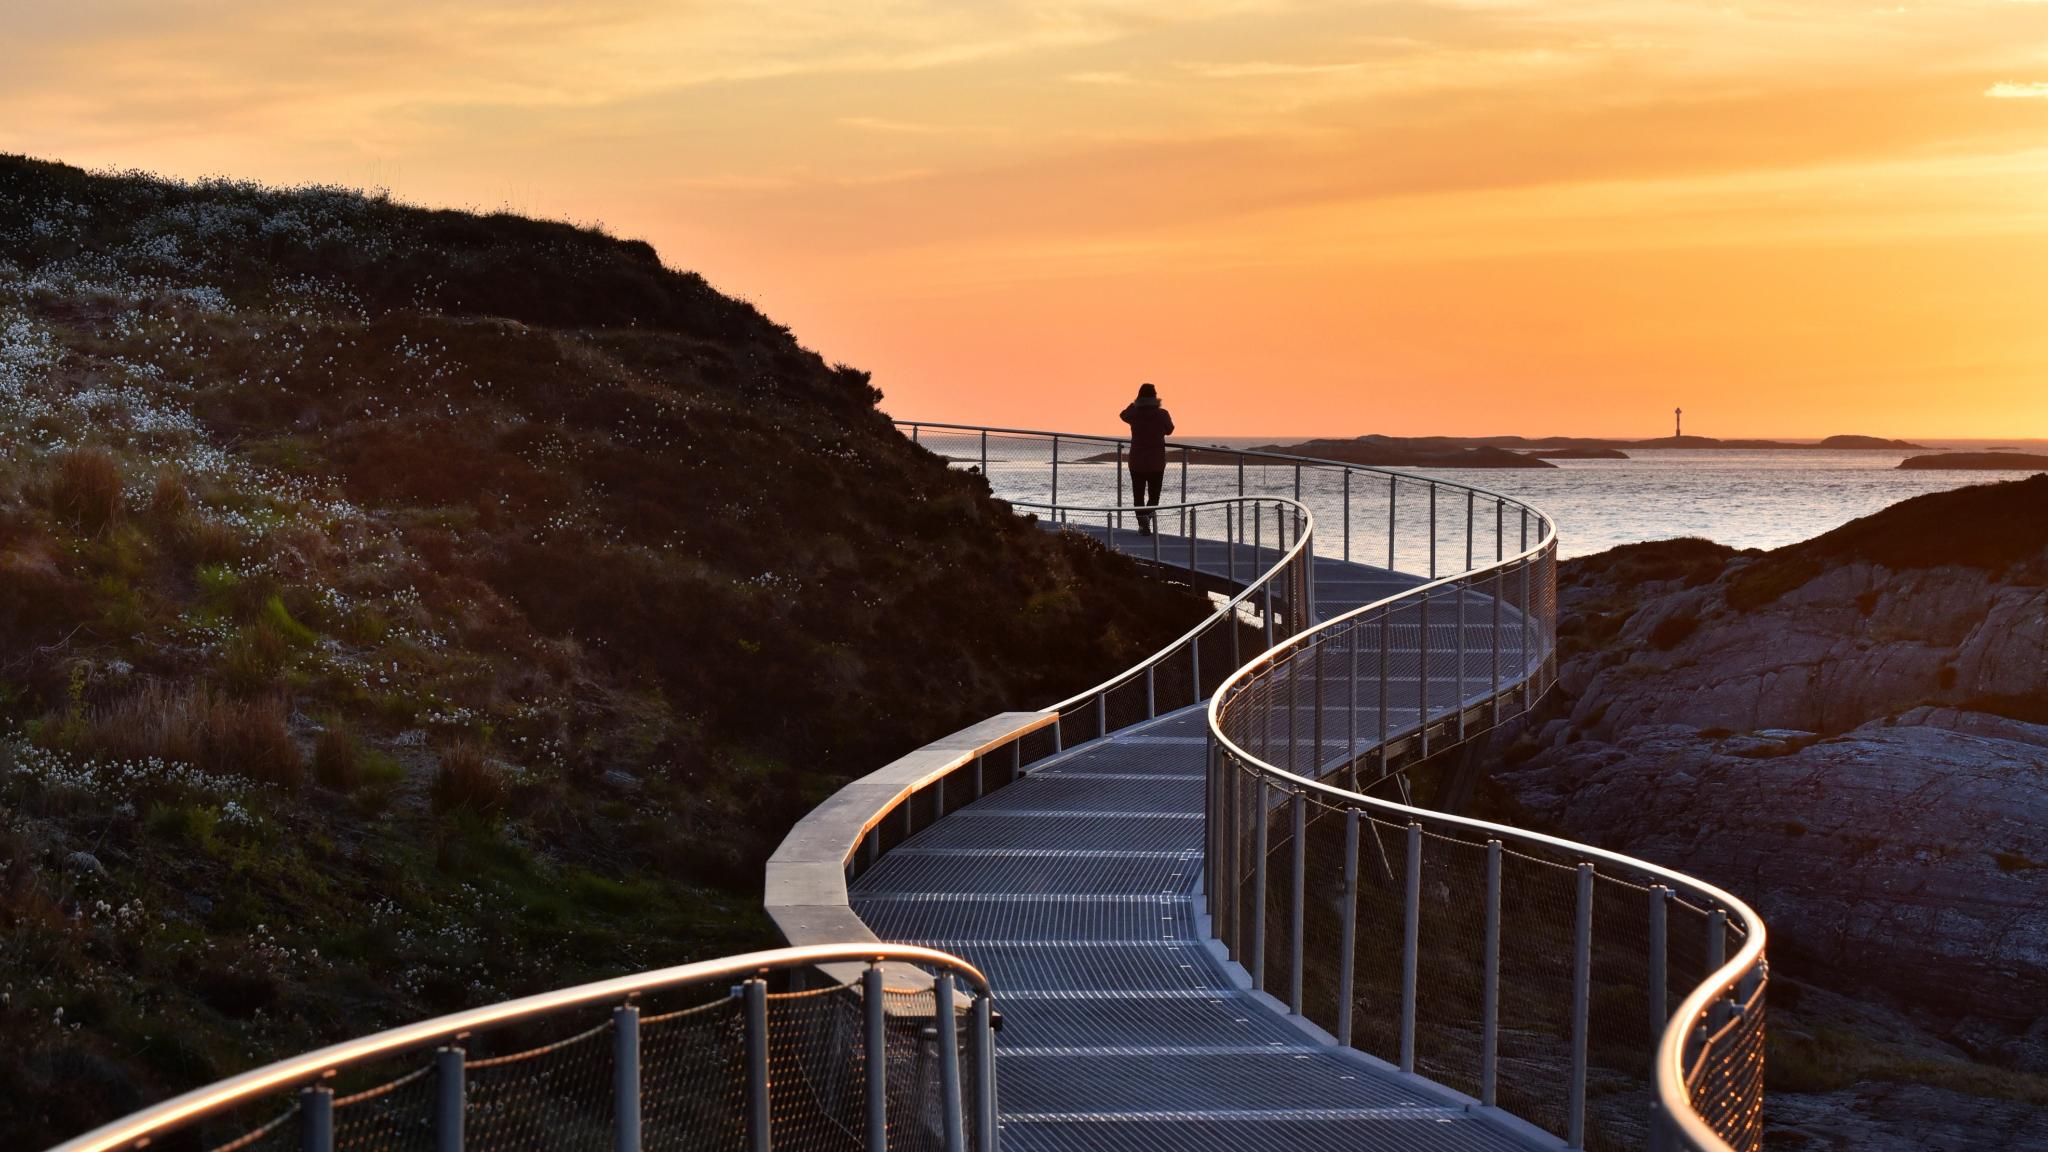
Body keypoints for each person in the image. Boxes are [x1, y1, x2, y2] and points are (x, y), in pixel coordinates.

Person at [1119, 383, 1174, 535]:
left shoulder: (1134, 413)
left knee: (1138, 495)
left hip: (1137, 461)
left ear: (1139, 397)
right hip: (1156, 461)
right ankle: (1146, 521)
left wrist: (1134, 403)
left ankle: (1143, 525)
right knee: (1154, 495)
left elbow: (1123, 415)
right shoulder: (1162, 414)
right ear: (1155, 396)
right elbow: (1170, 429)